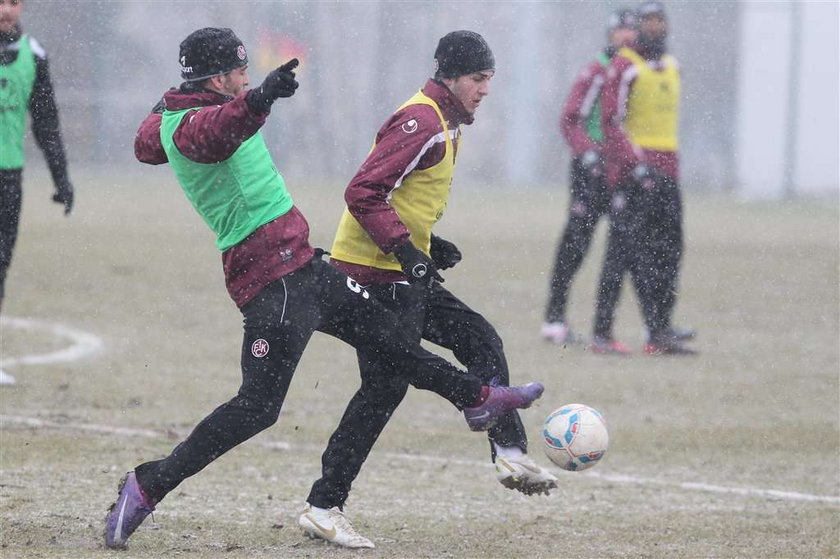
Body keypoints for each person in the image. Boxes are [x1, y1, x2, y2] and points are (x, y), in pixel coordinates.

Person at [103, 27, 545, 551]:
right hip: (270, 279)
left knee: (393, 344)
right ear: (220, 80)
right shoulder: (194, 127)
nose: (246, 80)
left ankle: (480, 400)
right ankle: (148, 484)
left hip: (304, 264)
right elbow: (215, 130)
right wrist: (260, 98)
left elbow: (146, 141)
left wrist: (198, 95)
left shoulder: (177, 117)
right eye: (240, 73)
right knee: (258, 407)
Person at [298, 30, 559, 548]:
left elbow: (400, 196)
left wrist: (428, 244)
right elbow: (363, 191)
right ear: (452, 77)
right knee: (384, 390)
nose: (486, 89)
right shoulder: (423, 122)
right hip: (375, 273)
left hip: (402, 268)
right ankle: (324, 506)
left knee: (478, 338)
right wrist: (406, 249)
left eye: (490, 79)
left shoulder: (448, 122)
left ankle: (508, 455)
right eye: (479, 79)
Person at [596, 1, 696, 355]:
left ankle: (661, 330)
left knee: (669, 253)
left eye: (659, 20)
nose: (654, 27)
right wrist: (634, 163)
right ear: (638, 26)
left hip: (669, 175)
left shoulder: (672, 66)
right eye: (648, 21)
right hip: (633, 178)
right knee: (622, 254)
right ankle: (602, 332)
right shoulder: (624, 66)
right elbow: (612, 121)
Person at [541, 7, 638, 355]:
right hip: (590, 171)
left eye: (632, 31)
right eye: (622, 31)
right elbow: (570, 119)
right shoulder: (596, 70)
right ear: (610, 34)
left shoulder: (631, 71)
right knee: (576, 242)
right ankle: (554, 319)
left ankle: (605, 328)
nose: (628, 37)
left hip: (617, 172)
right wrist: (588, 151)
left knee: (621, 246)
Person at [0, 0, 73, 386]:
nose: (5, 9)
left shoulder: (33, 55)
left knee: (0, 264)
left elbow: (46, 121)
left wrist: (61, 178)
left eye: (12, 1)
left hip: (8, 177)